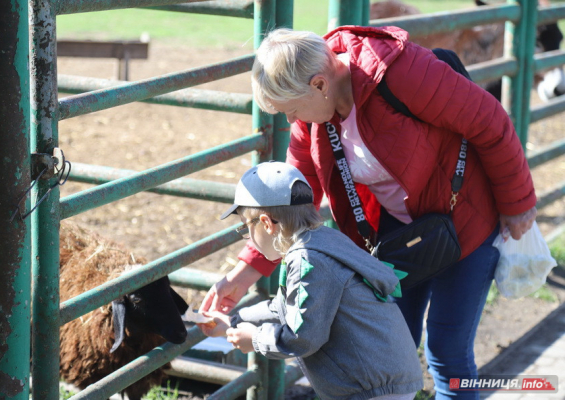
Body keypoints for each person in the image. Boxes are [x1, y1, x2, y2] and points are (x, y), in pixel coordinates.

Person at [200, 26, 537, 400]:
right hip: (399, 237)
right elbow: (292, 200)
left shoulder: (403, 73)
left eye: (291, 109)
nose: (291, 119)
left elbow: (489, 120)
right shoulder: (313, 117)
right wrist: (244, 274)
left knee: (447, 349)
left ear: (319, 84)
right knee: (391, 347)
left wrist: (518, 203)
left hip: (466, 220)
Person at [200, 160, 423, 400]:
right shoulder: (321, 240)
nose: (248, 237)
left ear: (266, 223)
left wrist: (254, 339)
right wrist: (233, 321)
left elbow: (302, 339)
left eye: (246, 227)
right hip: (382, 377)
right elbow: (285, 308)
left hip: (370, 388)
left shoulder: (308, 259)